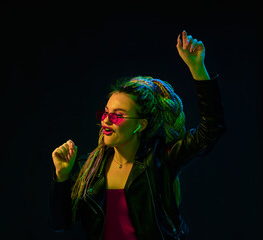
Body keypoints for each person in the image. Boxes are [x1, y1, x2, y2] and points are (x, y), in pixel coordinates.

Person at [49, 30, 226, 240]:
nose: (106, 120)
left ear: (140, 125)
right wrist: (61, 176)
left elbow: (211, 129)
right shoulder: (87, 168)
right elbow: (60, 224)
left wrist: (198, 68)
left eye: (118, 115)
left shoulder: (161, 161)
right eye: (105, 113)